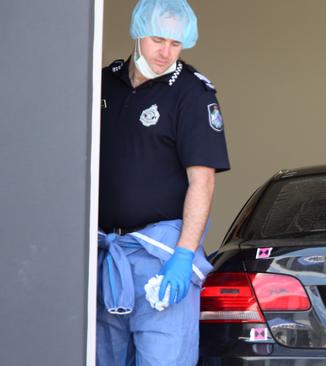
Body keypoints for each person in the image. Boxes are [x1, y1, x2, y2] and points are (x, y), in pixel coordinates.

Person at [96, 0, 229, 365]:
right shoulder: (105, 83)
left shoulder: (191, 93)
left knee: (163, 358)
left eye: (175, 43)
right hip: (109, 252)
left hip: (161, 255)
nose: (165, 51)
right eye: (157, 40)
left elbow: (202, 182)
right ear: (138, 33)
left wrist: (183, 256)